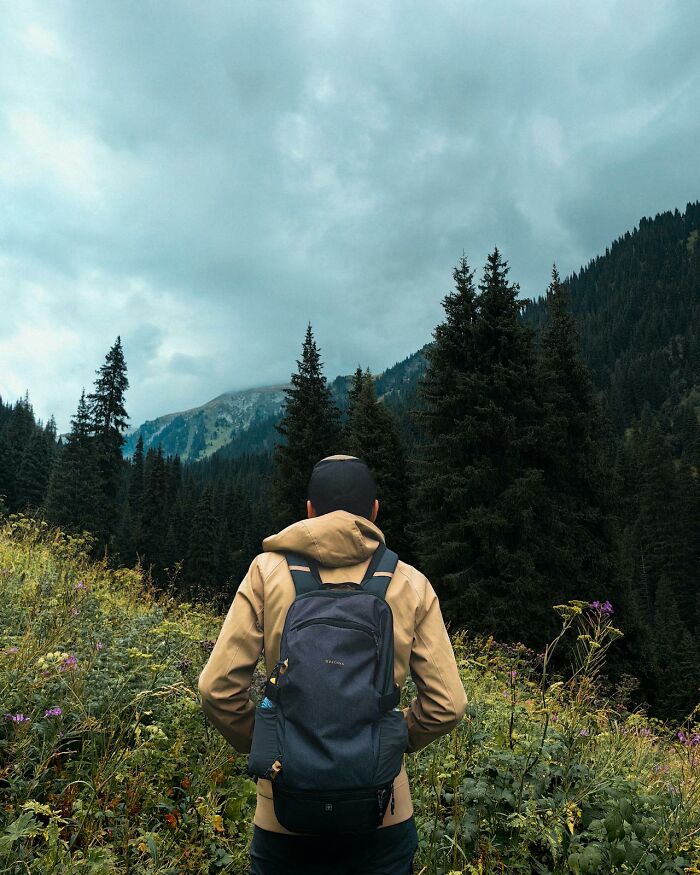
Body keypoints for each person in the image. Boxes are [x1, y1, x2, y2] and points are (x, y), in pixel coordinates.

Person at [198, 454, 468, 874]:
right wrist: (394, 743)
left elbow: (216, 690)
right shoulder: (410, 582)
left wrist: (273, 744)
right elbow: (448, 704)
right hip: (382, 813)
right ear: (374, 511)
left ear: (309, 511)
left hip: (283, 815)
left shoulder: (266, 572)